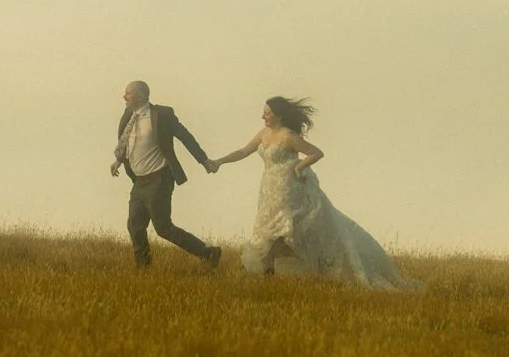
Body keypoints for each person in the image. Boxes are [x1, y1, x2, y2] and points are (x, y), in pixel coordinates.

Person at [212, 96, 421, 290]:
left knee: (284, 228)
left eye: (267, 113)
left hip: (289, 188)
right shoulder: (263, 134)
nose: (263, 116)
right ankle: (276, 267)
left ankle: (269, 268)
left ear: (279, 115)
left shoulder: (288, 136)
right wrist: (219, 162)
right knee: (267, 229)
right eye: (263, 113)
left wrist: (298, 166)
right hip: (268, 189)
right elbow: (243, 151)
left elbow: (316, 153)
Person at [111, 79, 222, 269]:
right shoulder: (129, 114)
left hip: (159, 179)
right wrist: (119, 159)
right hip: (139, 182)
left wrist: (204, 160)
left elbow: (185, 137)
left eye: (128, 93)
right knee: (135, 225)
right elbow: (127, 140)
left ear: (142, 95)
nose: (124, 96)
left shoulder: (162, 115)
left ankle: (207, 253)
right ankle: (143, 268)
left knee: (162, 227)